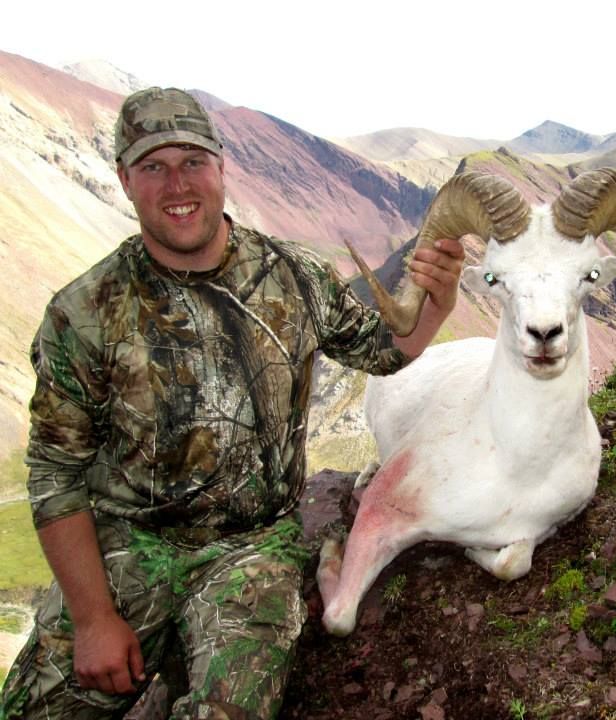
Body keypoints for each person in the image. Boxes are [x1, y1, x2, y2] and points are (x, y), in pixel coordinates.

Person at [0, 87, 464, 720]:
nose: (177, 184)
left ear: (221, 167)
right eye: (153, 166)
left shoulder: (293, 276)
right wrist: (92, 619)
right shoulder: (82, 312)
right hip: (127, 543)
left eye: (193, 161)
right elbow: (56, 474)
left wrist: (436, 303)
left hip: (253, 549)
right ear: (125, 180)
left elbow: (384, 349)